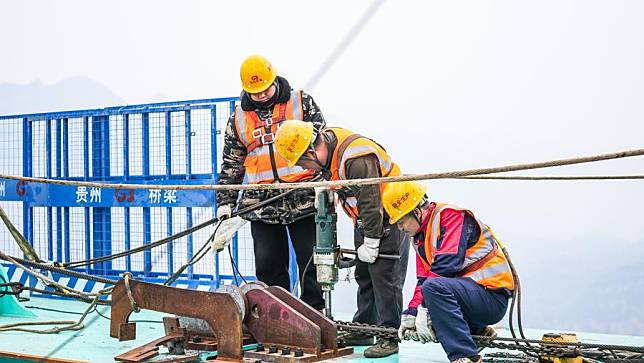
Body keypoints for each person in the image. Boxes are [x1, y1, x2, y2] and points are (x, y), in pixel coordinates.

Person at [274, 120, 409, 358]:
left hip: (392, 218)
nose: (308, 168)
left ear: (312, 151)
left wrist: (372, 241)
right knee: (364, 275)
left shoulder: (356, 158)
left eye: (304, 162)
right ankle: (364, 327)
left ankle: (389, 337)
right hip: (367, 221)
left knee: (385, 279)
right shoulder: (330, 145)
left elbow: (371, 202)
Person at [216, 55, 325, 310]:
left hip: (304, 198)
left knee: (312, 260)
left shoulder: (300, 102)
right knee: (268, 264)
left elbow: (322, 143)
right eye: (256, 92)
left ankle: (315, 313)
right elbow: (232, 162)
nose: (262, 95)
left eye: (266, 89)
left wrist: (325, 184)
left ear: (274, 79)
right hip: (261, 204)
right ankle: (277, 316)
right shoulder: (238, 118)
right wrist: (225, 203)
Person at [381, 181, 515, 363]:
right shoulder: (420, 238)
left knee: (433, 291)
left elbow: (446, 266)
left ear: (417, 212)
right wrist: (412, 313)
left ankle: (465, 357)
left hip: (491, 298)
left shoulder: (451, 217)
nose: (400, 228)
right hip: (472, 297)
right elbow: (424, 280)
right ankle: (477, 331)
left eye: (402, 222)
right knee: (431, 291)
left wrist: (424, 309)